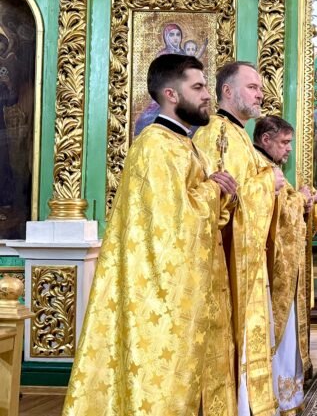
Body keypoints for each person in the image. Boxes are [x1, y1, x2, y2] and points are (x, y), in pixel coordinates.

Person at [63, 54, 239, 415]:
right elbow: (172, 223)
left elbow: (197, 211)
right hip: (162, 292)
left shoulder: (183, 144)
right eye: (198, 87)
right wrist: (214, 189)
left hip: (191, 286)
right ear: (171, 95)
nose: (208, 95)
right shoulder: (155, 146)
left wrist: (220, 193)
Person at [193, 61, 284, 416]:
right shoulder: (216, 133)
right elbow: (223, 201)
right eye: (252, 87)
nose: (260, 94)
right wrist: (268, 182)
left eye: (260, 88)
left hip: (246, 261)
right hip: (227, 261)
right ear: (228, 91)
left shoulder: (239, 134)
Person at [252, 115, 317, 415]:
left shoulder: (274, 170)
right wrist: (301, 200)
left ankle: (288, 396)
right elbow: (272, 213)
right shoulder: (260, 167)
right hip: (272, 268)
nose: (288, 148)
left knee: (287, 334)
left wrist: (310, 205)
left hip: (286, 267)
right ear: (266, 140)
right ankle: (277, 397)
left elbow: (291, 213)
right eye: (284, 142)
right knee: (279, 335)